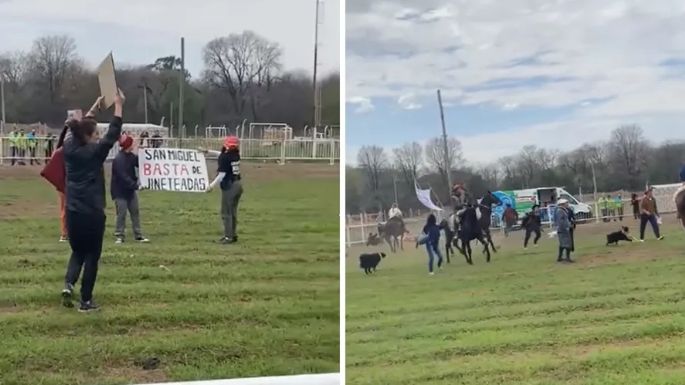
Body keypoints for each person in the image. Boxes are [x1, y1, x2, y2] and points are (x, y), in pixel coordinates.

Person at [61, 91, 125, 312]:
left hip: (72, 211)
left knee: (77, 251)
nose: (98, 136)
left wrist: (95, 108)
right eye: (96, 133)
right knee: (91, 256)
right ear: (88, 137)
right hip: (92, 213)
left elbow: (81, 128)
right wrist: (118, 105)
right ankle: (86, 301)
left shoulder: (68, 147)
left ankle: (68, 285)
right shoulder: (94, 153)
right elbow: (113, 133)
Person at [111, 134, 149, 244]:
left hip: (130, 191)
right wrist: (136, 186)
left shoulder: (130, 156)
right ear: (128, 145)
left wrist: (145, 154)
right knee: (121, 214)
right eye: (132, 142)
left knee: (135, 212)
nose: (134, 144)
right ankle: (119, 235)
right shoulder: (119, 159)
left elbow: (139, 163)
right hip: (120, 192)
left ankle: (138, 235)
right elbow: (123, 177)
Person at [206, 136, 243, 244]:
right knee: (233, 212)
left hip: (229, 186)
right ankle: (233, 234)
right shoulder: (235, 155)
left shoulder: (225, 157)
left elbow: (221, 175)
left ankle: (228, 237)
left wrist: (211, 186)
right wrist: (208, 152)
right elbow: (221, 154)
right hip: (238, 185)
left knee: (226, 212)